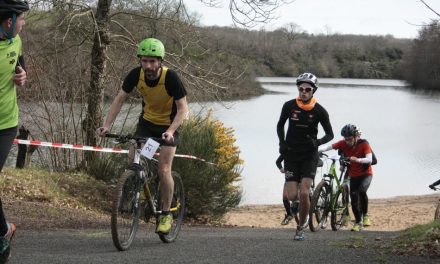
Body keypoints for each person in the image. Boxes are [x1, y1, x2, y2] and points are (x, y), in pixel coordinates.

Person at [96, 38, 189, 235]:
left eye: (152, 61)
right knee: (133, 160)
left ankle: (165, 214)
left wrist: (171, 131)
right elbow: (120, 99)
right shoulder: (135, 75)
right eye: (144, 61)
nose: (148, 65)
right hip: (146, 125)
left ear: (160, 61)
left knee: (164, 169)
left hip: (168, 126)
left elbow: (183, 110)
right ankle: (136, 189)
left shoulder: (170, 78)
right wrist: (106, 125)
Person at [276, 72, 334, 241]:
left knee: (303, 192)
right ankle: (302, 206)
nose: (304, 92)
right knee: (292, 196)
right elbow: (280, 125)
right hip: (291, 154)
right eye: (301, 89)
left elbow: (330, 134)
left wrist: (317, 142)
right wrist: (282, 143)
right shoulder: (289, 106)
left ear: (313, 91)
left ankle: (301, 227)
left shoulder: (319, 110)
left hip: (309, 155)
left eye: (307, 89)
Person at [0, 0, 29, 262]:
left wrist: (22, 76)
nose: (24, 24)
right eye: (21, 19)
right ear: (9, 22)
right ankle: (4, 231)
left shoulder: (16, 41)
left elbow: (21, 68)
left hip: (6, 124)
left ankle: (3, 232)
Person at [319, 124, 373, 232]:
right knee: (353, 197)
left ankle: (365, 215)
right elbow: (329, 147)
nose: (348, 141)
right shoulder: (343, 143)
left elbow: (370, 159)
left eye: (350, 139)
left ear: (356, 136)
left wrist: (357, 160)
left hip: (366, 174)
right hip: (353, 175)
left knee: (362, 191)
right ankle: (358, 222)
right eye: (346, 139)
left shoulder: (364, 144)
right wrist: (317, 150)